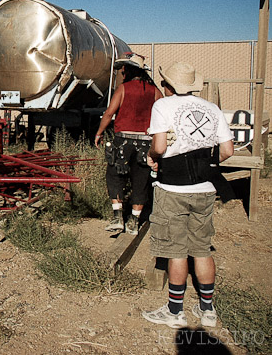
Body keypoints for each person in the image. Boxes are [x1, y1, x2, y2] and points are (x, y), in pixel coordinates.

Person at [142, 62, 234, 329]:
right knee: (202, 249)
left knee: (177, 251)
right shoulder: (211, 109)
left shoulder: (162, 106)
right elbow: (227, 151)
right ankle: (207, 310)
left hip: (173, 189)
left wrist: (151, 157)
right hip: (205, 189)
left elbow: (159, 145)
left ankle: (175, 312)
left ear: (168, 85)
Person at [95, 53, 163, 234]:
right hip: (145, 142)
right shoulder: (155, 91)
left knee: (115, 176)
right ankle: (134, 221)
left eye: (124, 70)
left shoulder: (123, 89)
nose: (122, 73)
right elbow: (163, 115)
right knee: (140, 180)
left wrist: (99, 132)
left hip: (123, 141)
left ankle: (117, 218)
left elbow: (109, 113)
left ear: (130, 71)